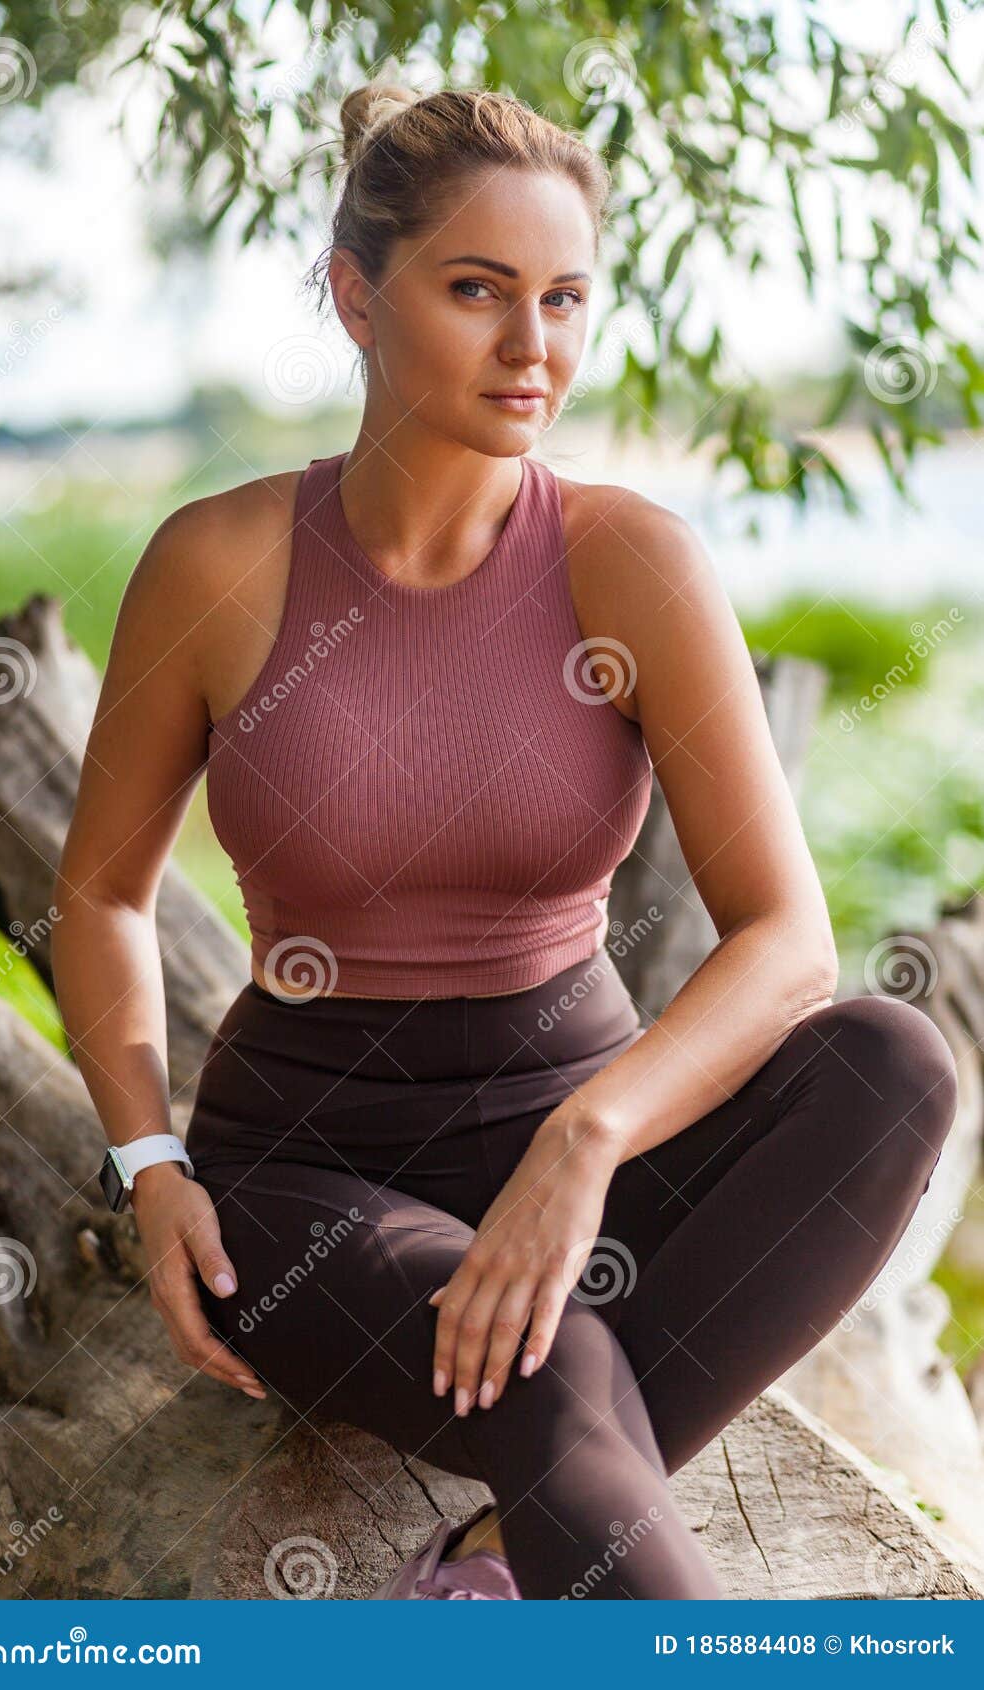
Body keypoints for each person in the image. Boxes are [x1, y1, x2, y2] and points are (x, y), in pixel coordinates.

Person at [51, 82, 960, 1601]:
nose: (533, 346)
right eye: (477, 291)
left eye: (565, 298)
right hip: (310, 1167)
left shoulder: (631, 560)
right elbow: (98, 892)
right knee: (556, 1361)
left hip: (577, 1100)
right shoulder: (217, 563)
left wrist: (586, 1137)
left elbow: (789, 938)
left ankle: (491, 1558)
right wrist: (148, 1163)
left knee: (895, 1065)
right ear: (355, 294)